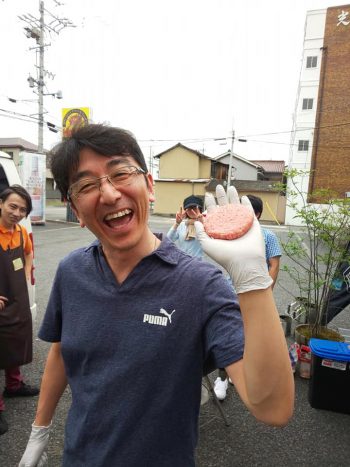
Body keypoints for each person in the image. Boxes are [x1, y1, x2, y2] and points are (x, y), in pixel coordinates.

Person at [19, 124, 294, 467]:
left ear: (149, 186)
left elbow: (272, 408)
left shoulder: (201, 284)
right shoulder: (72, 271)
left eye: (121, 173)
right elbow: (61, 351)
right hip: (79, 457)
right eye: (87, 185)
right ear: (75, 208)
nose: (108, 194)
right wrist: (39, 429)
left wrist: (252, 281)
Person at [0, 185, 39, 436]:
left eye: (22, 210)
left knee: (15, 342)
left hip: (18, 299)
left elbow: (28, 253)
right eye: (12, 206)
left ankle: (13, 386)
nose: (16, 212)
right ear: (1, 203)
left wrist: (27, 270)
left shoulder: (23, 232)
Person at [247, 194, 281, 289]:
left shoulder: (268, 236)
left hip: (256, 289)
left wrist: (267, 292)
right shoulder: (235, 234)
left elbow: (274, 266)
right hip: (231, 288)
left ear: (257, 214)